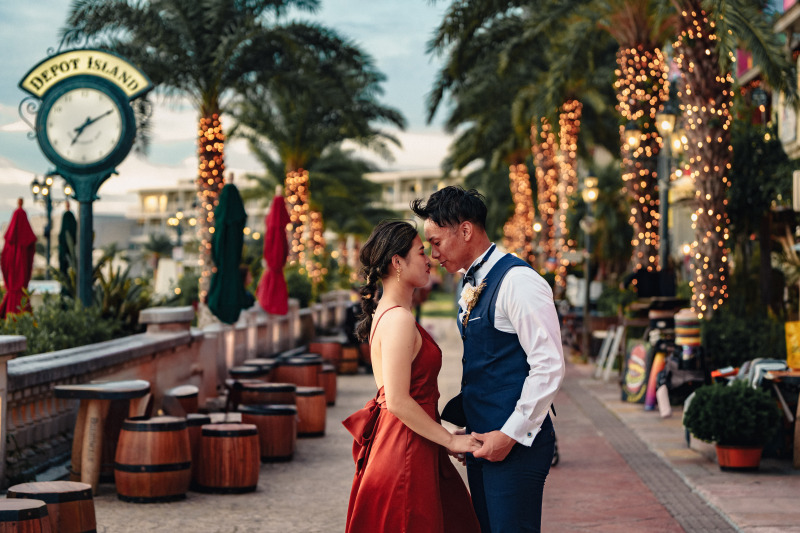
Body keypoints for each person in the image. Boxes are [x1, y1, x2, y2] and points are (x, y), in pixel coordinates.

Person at [411, 187, 565, 533]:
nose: (434, 254)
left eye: (436, 242)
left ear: (465, 231)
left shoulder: (519, 282)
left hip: (515, 446)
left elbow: (549, 366)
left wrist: (509, 435)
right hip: (485, 442)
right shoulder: (470, 282)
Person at [343, 220, 481, 533]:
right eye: (421, 252)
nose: (430, 259)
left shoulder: (389, 313)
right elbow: (397, 400)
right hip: (405, 451)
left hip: (411, 444)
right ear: (397, 263)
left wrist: (442, 442)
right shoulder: (399, 319)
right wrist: (448, 439)